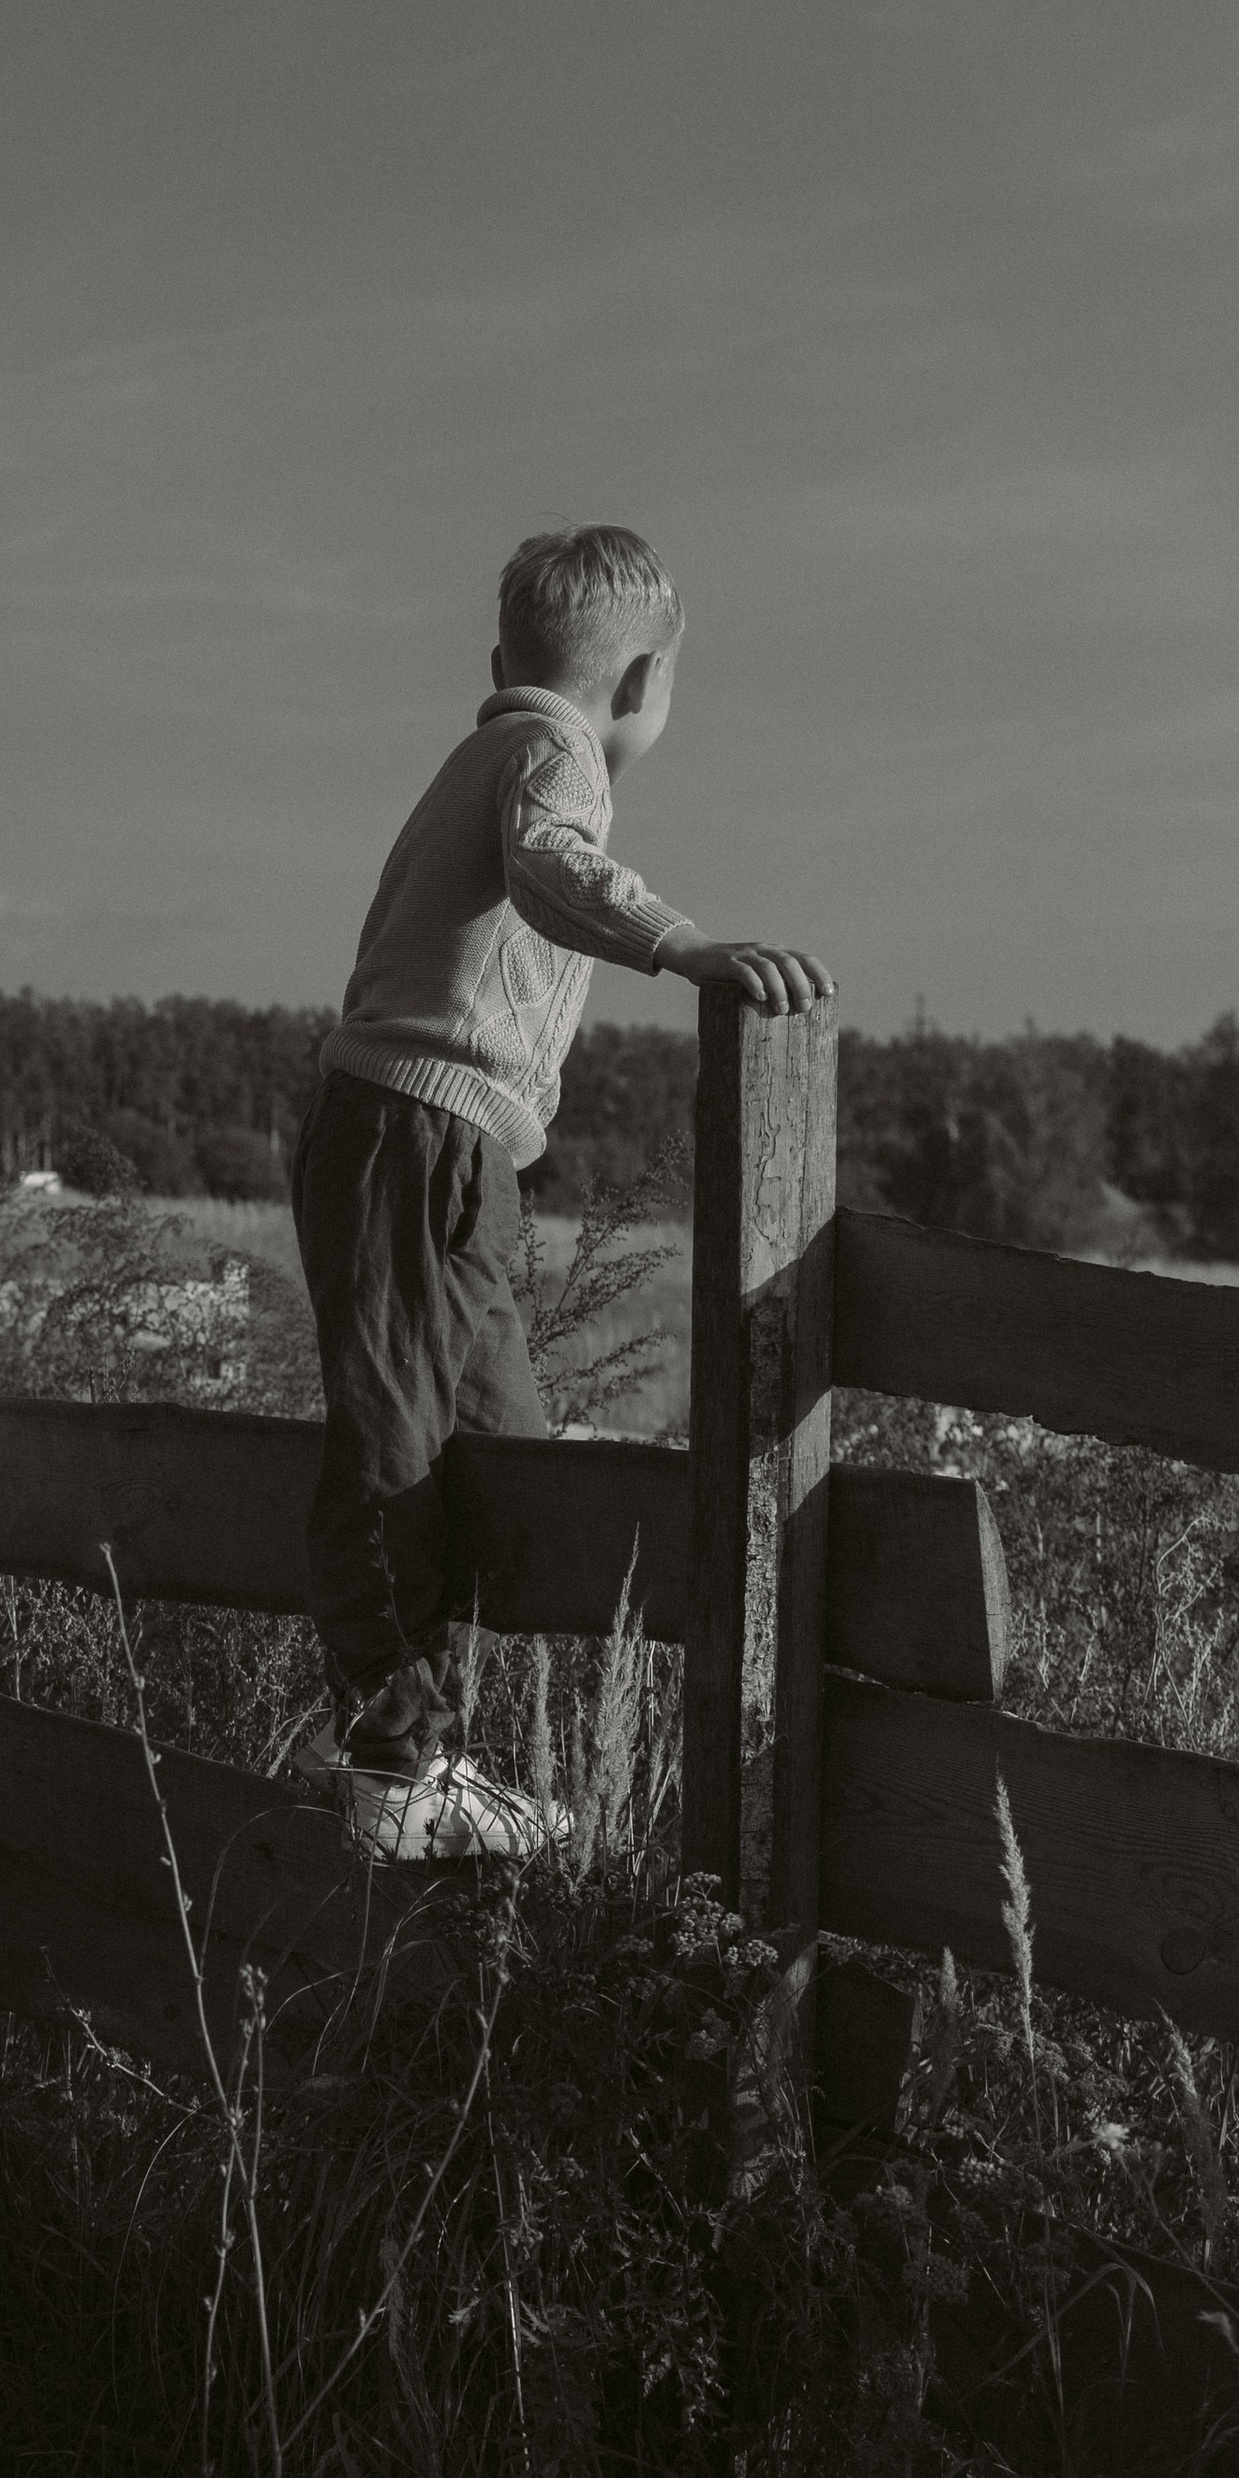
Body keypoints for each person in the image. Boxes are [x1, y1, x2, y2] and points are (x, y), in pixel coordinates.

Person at [293, 526, 833, 1857]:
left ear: (498, 660)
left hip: (434, 1141)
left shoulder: (483, 750)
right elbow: (550, 867)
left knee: (497, 1437)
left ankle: (449, 1756)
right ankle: (391, 1763)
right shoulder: (551, 753)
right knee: (397, 1438)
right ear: (644, 682)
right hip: (417, 1127)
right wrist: (683, 948)